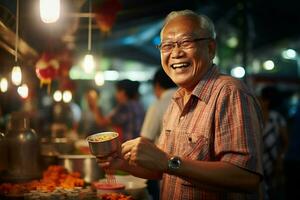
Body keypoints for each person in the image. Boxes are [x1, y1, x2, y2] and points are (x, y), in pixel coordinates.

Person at [98, 10, 263, 199]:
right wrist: (122, 163)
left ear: (210, 48)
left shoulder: (230, 92)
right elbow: (161, 169)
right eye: (167, 45)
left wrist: (168, 162)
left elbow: (246, 177)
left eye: (186, 42)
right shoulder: (176, 99)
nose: (176, 53)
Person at [141, 68, 177, 199]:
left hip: (164, 171)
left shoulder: (158, 104)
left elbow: (145, 141)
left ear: (157, 85)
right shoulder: (187, 99)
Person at [259, 86, 288, 200]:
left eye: (261, 98)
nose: (258, 100)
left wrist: (280, 159)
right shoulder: (256, 117)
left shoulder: (277, 118)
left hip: (274, 162)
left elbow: (285, 142)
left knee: (274, 192)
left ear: (267, 101)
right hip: (260, 163)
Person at [141, 68, 177, 143]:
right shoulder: (189, 99)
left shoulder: (157, 105)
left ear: (157, 85)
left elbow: (146, 139)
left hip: (162, 154)